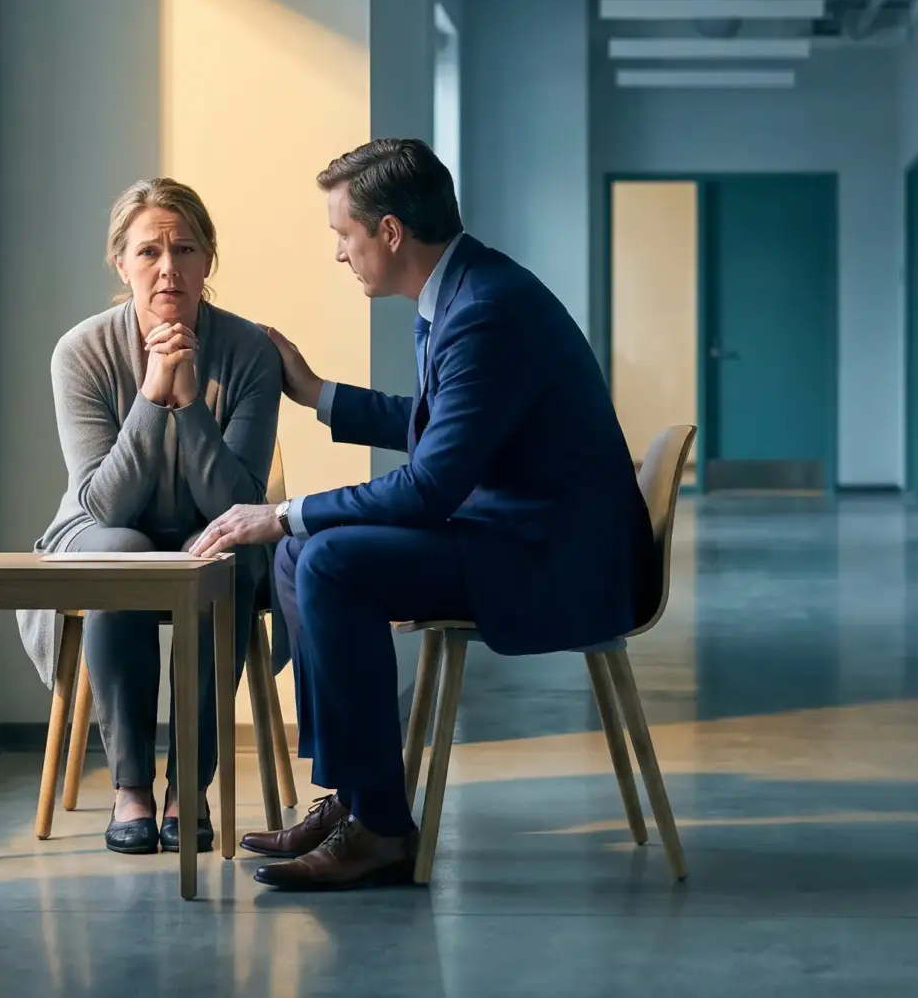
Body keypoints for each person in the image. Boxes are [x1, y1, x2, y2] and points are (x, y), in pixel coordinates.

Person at [190, 139, 659, 891]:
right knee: (296, 556)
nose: (340, 255)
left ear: (390, 233)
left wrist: (283, 511)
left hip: (551, 557)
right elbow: (443, 423)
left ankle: (380, 830)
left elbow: (431, 484)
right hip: (514, 528)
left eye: (344, 235)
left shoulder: (485, 311)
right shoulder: (461, 292)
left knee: (329, 557)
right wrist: (318, 392)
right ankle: (352, 794)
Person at [21, 176, 282, 856]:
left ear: (207, 260)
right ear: (121, 263)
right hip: (100, 528)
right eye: (149, 252)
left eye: (185, 249)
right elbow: (102, 502)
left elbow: (238, 501)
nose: (168, 267)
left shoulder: (250, 352)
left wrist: (190, 404)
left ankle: (189, 788)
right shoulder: (80, 351)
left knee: (214, 555)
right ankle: (131, 785)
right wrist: (151, 395)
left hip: (215, 528)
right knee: (123, 548)